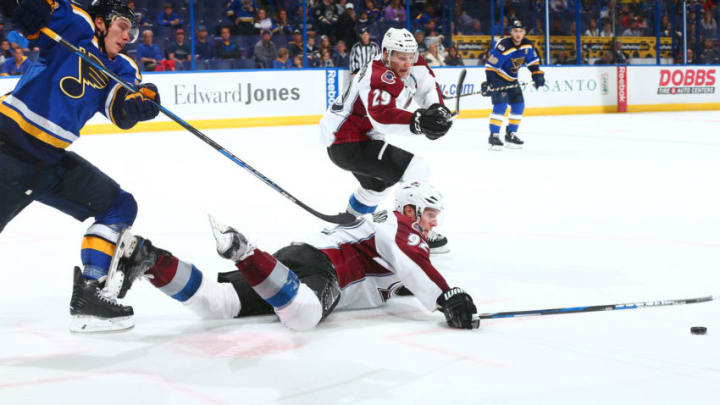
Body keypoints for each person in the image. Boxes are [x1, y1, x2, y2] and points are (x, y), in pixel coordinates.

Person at [107, 182, 478, 331]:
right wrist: (446, 296)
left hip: (290, 262)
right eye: (430, 214)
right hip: (322, 267)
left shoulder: (386, 226)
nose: (434, 223)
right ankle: (245, 252)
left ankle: (150, 260)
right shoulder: (397, 224)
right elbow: (410, 258)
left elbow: (402, 272)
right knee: (303, 318)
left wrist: (407, 289)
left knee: (217, 305)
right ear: (410, 210)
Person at [0, 0, 161, 332]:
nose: (127, 35)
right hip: (8, 151)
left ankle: (90, 294)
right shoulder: (76, 24)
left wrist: (141, 103)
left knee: (119, 205)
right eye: (121, 26)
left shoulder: (122, 67)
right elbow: (34, 10)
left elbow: (120, 111)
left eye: (131, 30)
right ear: (101, 23)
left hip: (50, 164)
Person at [319, 27, 453, 253]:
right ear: (386, 53)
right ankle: (413, 233)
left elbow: (427, 85)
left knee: (378, 185)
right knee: (415, 168)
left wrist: (436, 109)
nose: (407, 63)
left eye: (410, 57)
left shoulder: (408, 60)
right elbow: (382, 117)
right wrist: (420, 121)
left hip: (350, 139)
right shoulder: (379, 74)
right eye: (401, 58)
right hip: (348, 141)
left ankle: (349, 224)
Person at [483, 18, 544, 148]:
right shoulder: (503, 45)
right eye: (515, 31)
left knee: (519, 106)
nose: (518, 34)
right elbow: (491, 66)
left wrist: (537, 74)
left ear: (524, 33)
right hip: (499, 78)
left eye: (520, 31)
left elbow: (532, 62)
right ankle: (493, 136)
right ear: (511, 32)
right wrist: (490, 83)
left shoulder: (527, 45)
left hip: (512, 80)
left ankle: (510, 134)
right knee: (501, 106)